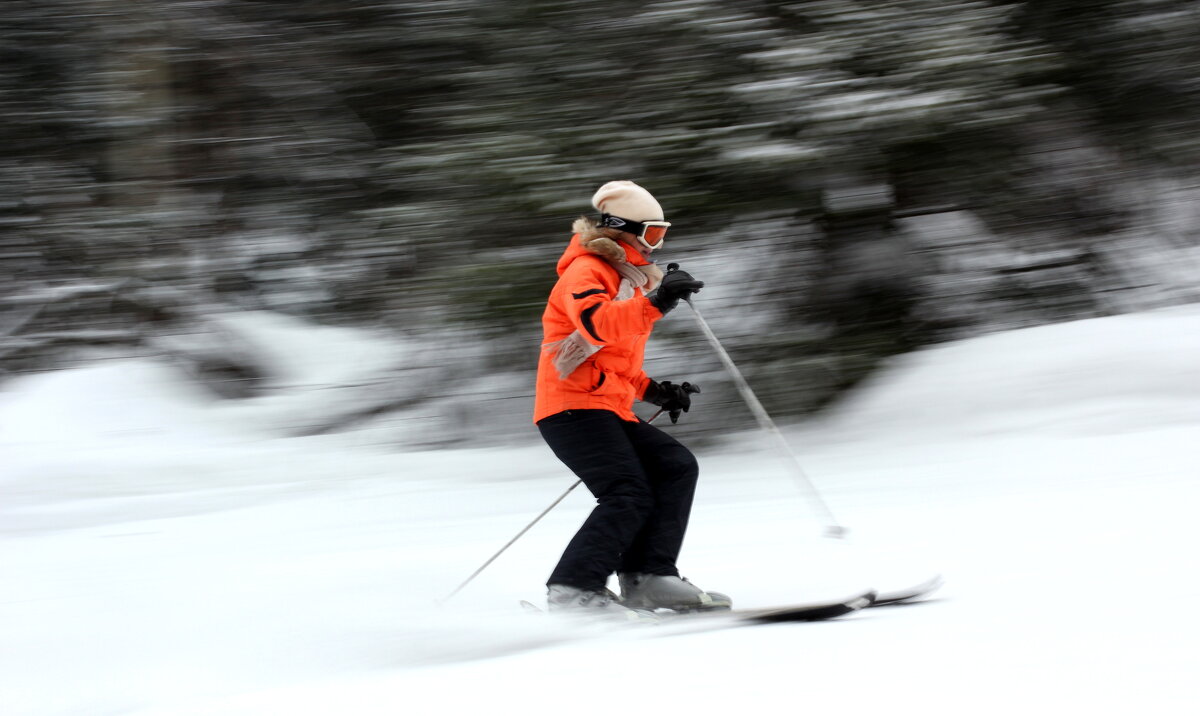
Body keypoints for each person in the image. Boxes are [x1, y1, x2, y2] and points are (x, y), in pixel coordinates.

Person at [533, 180, 729, 619]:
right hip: (571, 409)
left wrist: (655, 391)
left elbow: (613, 359)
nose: (658, 243)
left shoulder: (623, 281)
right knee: (627, 492)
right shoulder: (586, 272)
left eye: (663, 234)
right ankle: (573, 589)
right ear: (626, 230)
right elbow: (596, 325)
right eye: (654, 233)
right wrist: (658, 301)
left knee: (675, 466)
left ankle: (649, 577)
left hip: (603, 406)